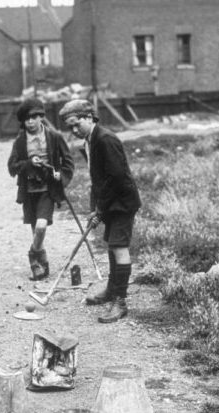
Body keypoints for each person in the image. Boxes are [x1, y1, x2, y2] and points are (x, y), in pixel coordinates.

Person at [58, 99, 141, 323]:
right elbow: (98, 180)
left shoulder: (105, 139)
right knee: (112, 246)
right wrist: (95, 208)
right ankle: (112, 290)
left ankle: (120, 302)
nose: (74, 130)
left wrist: (100, 210)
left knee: (119, 247)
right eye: (70, 127)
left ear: (89, 117)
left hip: (122, 202)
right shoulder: (89, 140)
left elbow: (117, 179)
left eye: (77, 124)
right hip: (110, 202)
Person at [8, 98, 74, 280]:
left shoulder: (54, 137)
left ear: (41, 118)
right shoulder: (20, 141)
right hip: (28, 190)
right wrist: (29, 163)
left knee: (41, 226)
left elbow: (68, 162)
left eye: (33, 118)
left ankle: (32, 255)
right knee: (35, 230)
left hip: (47, 189)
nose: (30, 122)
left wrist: (61, 174)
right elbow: (12, 167)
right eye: (26, 119)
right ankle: (40, 265)